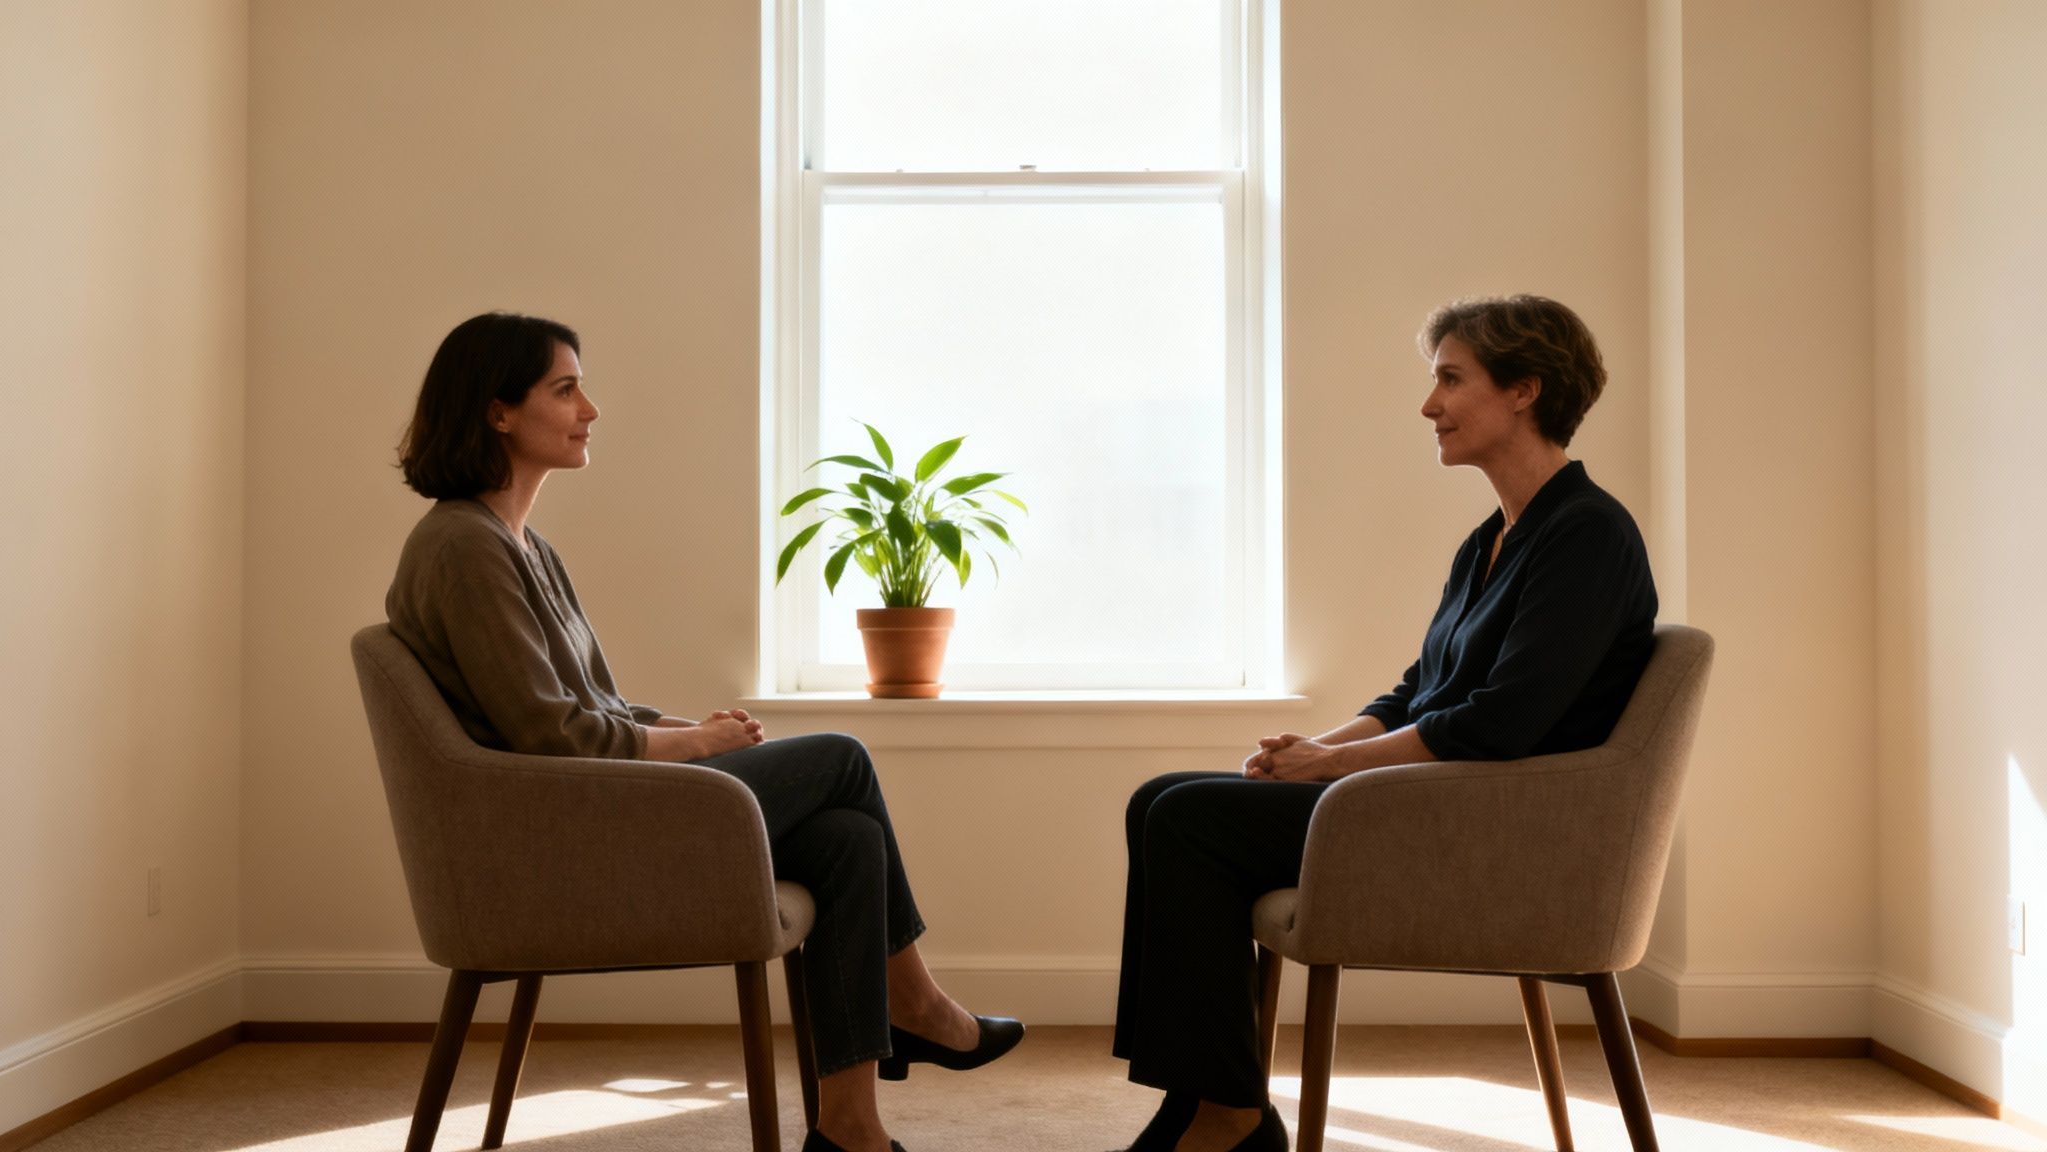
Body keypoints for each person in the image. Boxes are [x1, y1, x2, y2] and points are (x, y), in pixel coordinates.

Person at [385, 312, 1022, 1152]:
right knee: (841, 757)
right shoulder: (465, 548)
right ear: (498, 411)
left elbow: (594, 705)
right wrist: (695, 749)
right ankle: (917, 1007)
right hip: (555, 841)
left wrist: (687, 728)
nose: (592, 409)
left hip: (586, 807)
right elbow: (553, 739)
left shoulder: (521, 544)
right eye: (565, 389)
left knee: (843, 840)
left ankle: (852, 1130)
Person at [1110, 295, 1658, 1152]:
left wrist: (1331, 772)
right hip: (1437, 798)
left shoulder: (1588, 535)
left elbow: (1500, 724)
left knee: (1188, 818)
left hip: (1494, 828)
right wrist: (1321, 747)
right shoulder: (1493, 537)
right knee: (1161, 797)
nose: (1428, 405)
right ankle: (1204, 1098)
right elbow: (1417, 692)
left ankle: (1226, 1115)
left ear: (1524, 389)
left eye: (1450, 379)